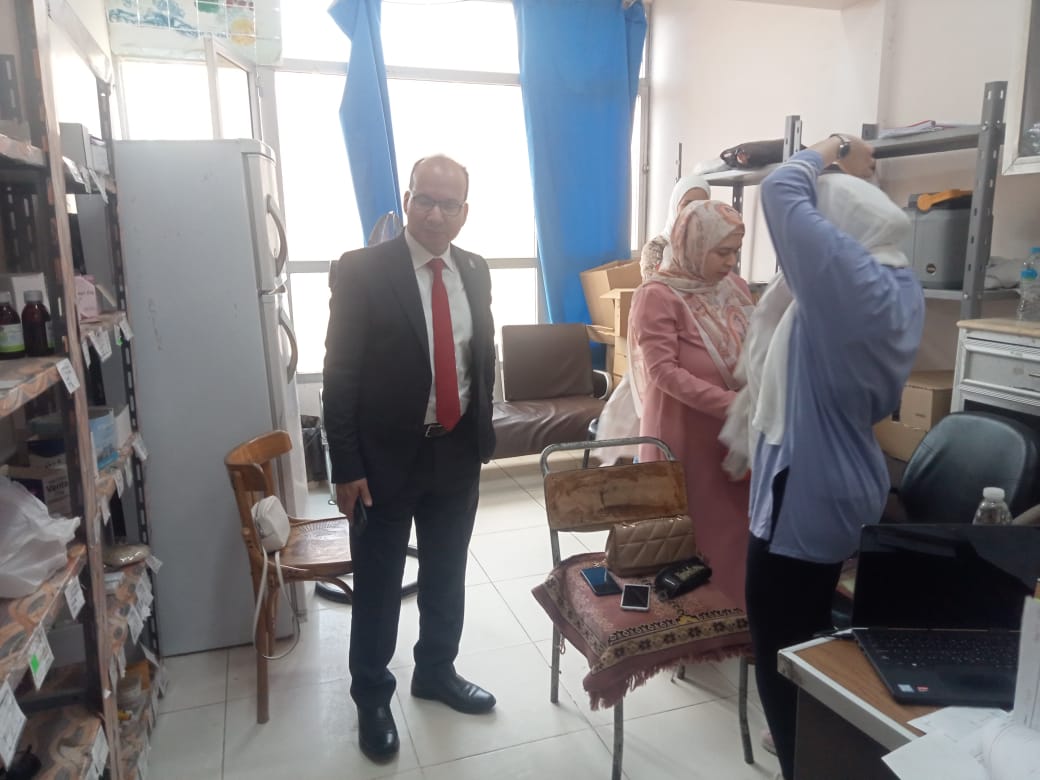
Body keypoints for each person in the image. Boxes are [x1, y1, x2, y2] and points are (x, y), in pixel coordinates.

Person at [743, 135, 925, 780]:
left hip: (808, 488)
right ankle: (816, 748)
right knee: (811, 627)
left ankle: (802, 761)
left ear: (842, 227)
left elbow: (778, 190)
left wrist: (826, 150)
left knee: (779, 642)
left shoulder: (848, 280)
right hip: (850, 474)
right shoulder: (898, 282)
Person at [323, 154, 498, 763]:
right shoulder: (363, 270)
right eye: (424, 199)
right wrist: (346, 466)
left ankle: (436, 672)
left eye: (449, 204)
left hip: (455, 451)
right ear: (407, 200)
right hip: (383, 461)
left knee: (446, 574)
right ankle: (372, 695)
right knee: (378, 585)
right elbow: (339, 375)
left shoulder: (474, 269)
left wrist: (482, 433)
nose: (435, 214)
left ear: (464, 212)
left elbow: (480, 355)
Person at [628, 199, 754, 609]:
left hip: (732, 433)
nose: (730, 261)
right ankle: (688, 624)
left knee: (735, 531)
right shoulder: (657, 295)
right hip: (684, 433)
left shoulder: (734, 287)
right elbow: (663, 372)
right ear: (694, 244)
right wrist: (732, 404)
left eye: (735, 251)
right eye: (722, 251)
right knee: (691, 534)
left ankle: (736, 620)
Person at [639, 173, 712, 281]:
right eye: (687, 204)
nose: (694, 210)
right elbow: (654, 288)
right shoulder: (655, 248)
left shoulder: (712, 245)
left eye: (702, 205)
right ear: (675, 206)